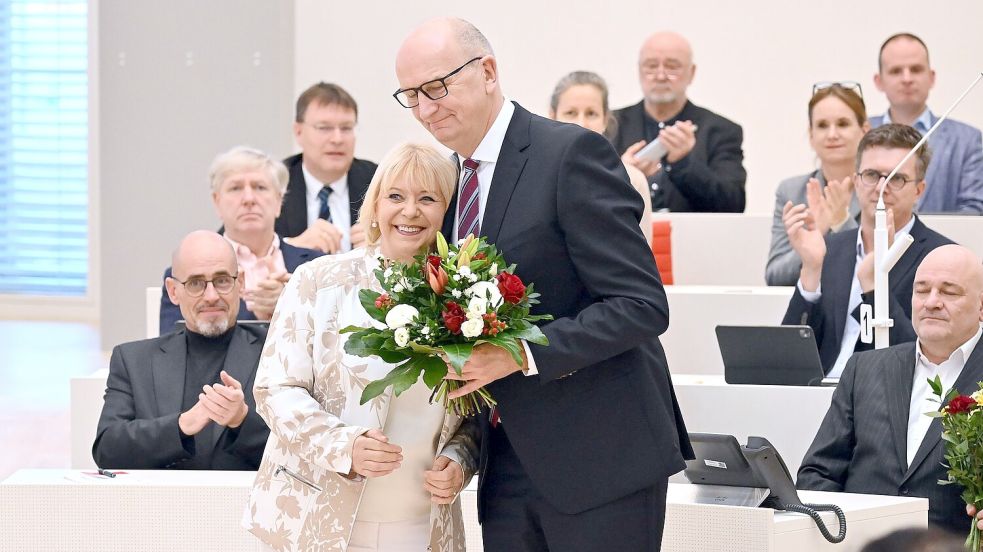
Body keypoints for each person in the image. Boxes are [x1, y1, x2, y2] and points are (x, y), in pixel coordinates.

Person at [393, 18, 691, 551]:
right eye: (411, 95)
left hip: (601, 459)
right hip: (504, 463)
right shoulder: (451, 181)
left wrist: (520, 355)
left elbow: (641, 304)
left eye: (436, 87)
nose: (425, 108)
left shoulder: (570, 154)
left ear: (487, 71)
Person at [243, 143, 479, 552]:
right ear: (374, 205)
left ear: (449, 211)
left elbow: (479, 407)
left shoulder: (468, 298)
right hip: (317, 518)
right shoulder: (316, 280)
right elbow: (274, 389)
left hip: (423, 527)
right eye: (395, 196)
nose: (410, 211)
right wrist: (343, 445)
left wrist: (461, 461)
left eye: (428, 198)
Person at [797, 244, 983, 533]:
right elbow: (818, 473)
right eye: (921, 290)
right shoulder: (864, 368)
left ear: (981, 306)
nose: (932, 302)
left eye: (949, 292)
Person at [782, 124, 954, 375]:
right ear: (856, 181)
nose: (881, 187)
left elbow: (929, 360)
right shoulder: (832, 248)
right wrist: (810, 269)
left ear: (918, 190)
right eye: (872, 175)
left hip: (884, 400)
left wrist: (874, 289)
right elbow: (788, 359)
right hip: (818, 394)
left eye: (896, 178)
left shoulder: (941, 257)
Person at [94, 231, 269, 470]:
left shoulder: (275, 354)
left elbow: (302, 456)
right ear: (173, 291)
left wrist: (241, 420)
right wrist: (182, 426)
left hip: (249, 505)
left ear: (240, 284)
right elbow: (107, 449)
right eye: (196, 283)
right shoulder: (134, 361)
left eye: (222, 280)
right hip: (162, 505)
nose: (211, 296)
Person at [159, 147, 322, 335]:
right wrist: (260, 318)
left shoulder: (316, 265)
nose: (249, 199)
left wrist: (292, 303)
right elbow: (174, 345)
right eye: (235, 188)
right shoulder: (185, 274)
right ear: (217, 202)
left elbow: (335, 338)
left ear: (278, 201)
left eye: (260, 187)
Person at [613, 31, 746, 212]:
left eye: (672, 67)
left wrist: (684, 163)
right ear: (639, 71)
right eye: (651, 66)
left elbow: (733, 204)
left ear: (691, 73)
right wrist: (624, 175)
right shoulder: (612, 124)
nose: (660, 76)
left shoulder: (721, 130)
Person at [766, 83, 868, 286]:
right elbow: (775, 276)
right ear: (811, 136)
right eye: (822, 125)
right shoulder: (791, 192)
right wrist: (816, 234)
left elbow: (879, 273)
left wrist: (842, 223)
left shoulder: (881, 189)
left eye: (843, 123)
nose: (832, 134)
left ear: (864, 131)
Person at [870, 33, 983, 213]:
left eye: (916, 69)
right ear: (879, 81)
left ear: (931, 77)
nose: (907, 78)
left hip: (943, 241)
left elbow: (974, 211)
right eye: (896, 71)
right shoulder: (858, 133)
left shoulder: (967, 140)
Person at [548, 70, 653, 246]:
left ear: (605, 120)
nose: (581, 124)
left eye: (591, 114)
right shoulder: (533, 173)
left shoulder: (632, 179)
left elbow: (641, 255)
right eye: (570, 113)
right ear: (552, 116)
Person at [277, 82, 379, 253]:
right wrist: (290, 248)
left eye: (346, 128)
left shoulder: (379, 181)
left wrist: (389, 247)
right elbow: (232, 249)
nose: (337, 139)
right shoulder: (273, 182)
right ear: (298, 132)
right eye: (324, 128)